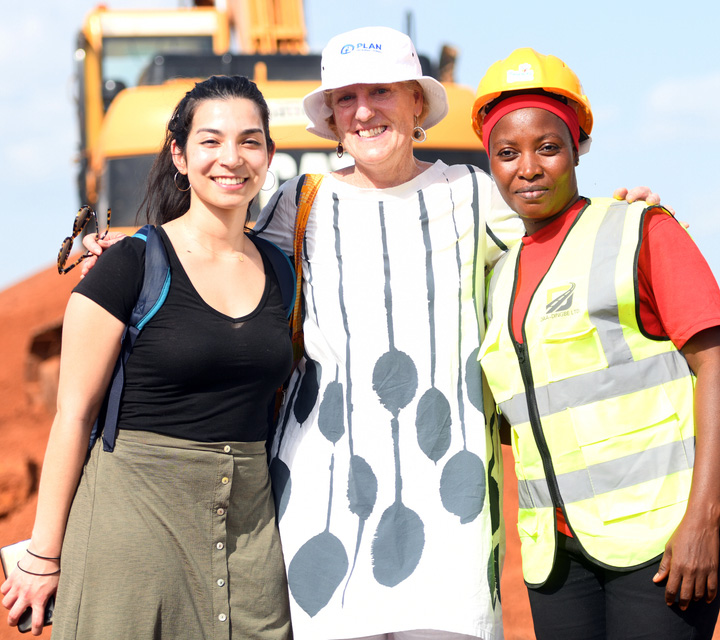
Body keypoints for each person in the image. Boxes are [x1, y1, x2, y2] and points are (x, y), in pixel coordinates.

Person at [76, 28, 660, 640]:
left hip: (449, 510)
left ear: (415, 102)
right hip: (319, 505)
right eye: (345, 97)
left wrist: (617, 214)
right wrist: (119, 252)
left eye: (381, 90)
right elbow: (211, 257)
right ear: (330, 117)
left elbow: (558, 248)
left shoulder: (474, 197)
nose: (363, 110)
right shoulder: (296, 205)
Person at [1, 75, 292, 639]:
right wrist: (42, 554)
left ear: (268, 156)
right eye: (210, 141)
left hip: (249, 534)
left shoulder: (281, 269)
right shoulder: (129, 266)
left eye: (249, 141)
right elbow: (73, 417)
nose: (230, 158)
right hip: (132, 530)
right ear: (179, 155)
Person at [474, 48, 720, 639]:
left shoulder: (641, 229)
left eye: (548, 148)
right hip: (554, 555)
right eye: (507, 153)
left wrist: (706, 519)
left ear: (578, 146)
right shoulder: (501, 272)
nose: (527, 168)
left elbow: (714, 365)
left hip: (657, 541)